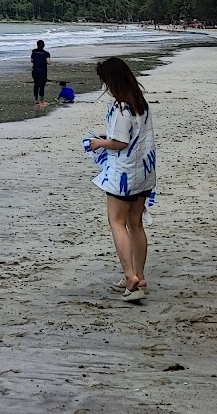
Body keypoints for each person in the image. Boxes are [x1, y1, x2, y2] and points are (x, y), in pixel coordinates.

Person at [85, 56, 157, 303]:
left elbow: (120, 142)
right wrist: (110, 137)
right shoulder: (140, 103)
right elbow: (132, 135)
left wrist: (99, 143)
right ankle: (140, 274)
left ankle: (130, 277)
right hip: (144, 174)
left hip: (123, 175)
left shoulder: (120, 108)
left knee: (117, 223)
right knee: (136, 224)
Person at [31, 39, 51, 107]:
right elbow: (48, 62)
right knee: (42, 86)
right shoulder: (46, 53)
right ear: (44, 46)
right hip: (42, 71)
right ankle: (41, 101)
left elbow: (31, 60)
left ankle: (36, 100)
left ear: (37, 45)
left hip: (35, 70)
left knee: (36, 85)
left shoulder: (34, 52)